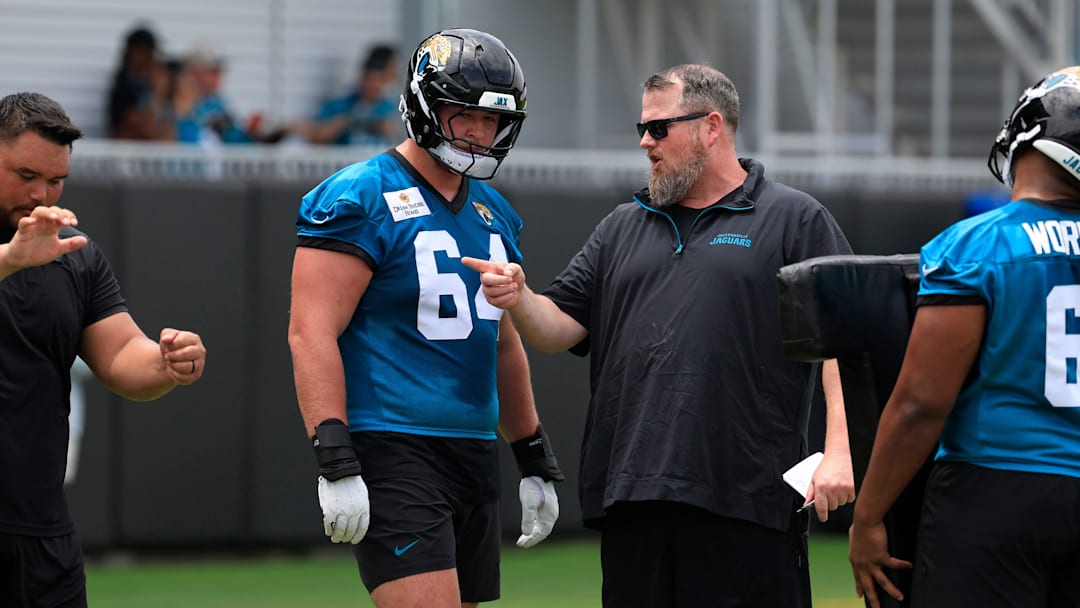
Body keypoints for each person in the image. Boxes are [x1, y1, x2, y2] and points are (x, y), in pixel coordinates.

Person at [463, 63, 855, 607]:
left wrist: (840, 451)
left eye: (658, 128)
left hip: (746, 502)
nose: (646, 142)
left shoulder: (793, 218)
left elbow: (845, 338)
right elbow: (557, 329)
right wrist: (519, 297)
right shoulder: (620, 226)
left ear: (711, 127)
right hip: (632, 500)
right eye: (642, 129)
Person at [287, 29, 562, 607]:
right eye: (466, 115)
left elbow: (502, 342)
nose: (480, 133)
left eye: (492, 120)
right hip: (394, 446)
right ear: (423, 105)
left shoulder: (495, 214)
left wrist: (531, 452)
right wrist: (334, 454)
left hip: (473, 449)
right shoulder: (359, 196)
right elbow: (311, 331)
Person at [848, 66, 1080, 608]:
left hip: (996, 486)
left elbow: (922, 403)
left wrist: (869, 515)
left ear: (1027, 136)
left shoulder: (978, 245)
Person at [0, 92, 207, 606]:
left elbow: (119, 355)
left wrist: (166, 362)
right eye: (26, 175)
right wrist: (9, 260)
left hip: (42, 534)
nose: (41, 194)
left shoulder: (72, 253)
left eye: (56, 180)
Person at [305, 44, 401, 146]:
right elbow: (315, 136)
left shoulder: (391, 106)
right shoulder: (341, 105)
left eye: (379, 80)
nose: (373, 85)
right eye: (369, 79)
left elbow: (396, 132)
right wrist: (347, 122)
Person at [106, 25, 175, 140]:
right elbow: (140, 123)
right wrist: (157, 92)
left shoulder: (155, 80)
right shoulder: (124, 84)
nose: (151, 58)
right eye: (145, 52)